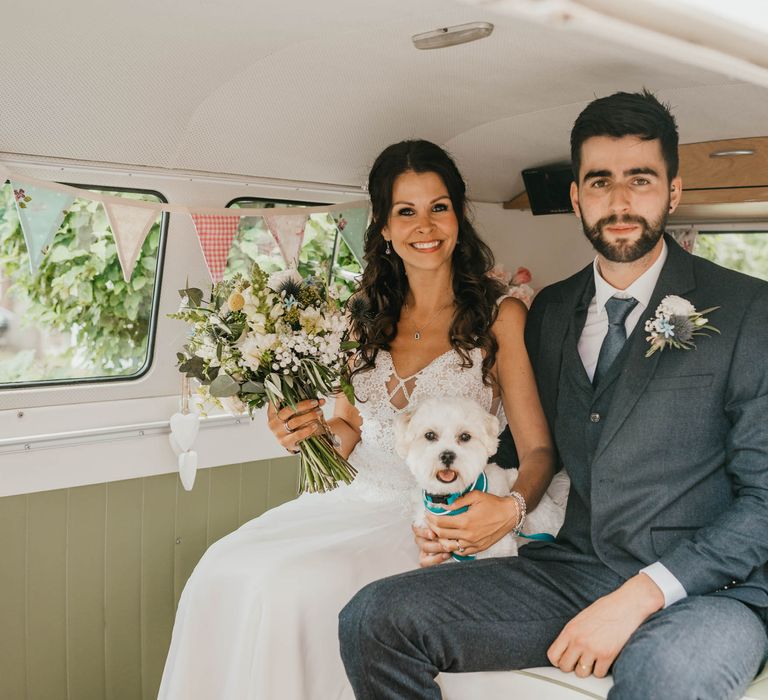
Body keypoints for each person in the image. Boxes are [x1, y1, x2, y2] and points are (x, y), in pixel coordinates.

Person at [339, 90, 768, 700]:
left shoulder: (752, 310)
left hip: (708, 592)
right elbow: (521, 447)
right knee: (374, 619)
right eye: (599, 183)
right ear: (576, 196)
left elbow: (765, 501)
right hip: (572, 570)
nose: (619, 202)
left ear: (673, 192)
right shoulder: (548, 314)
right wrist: (462, 510)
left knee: (665, 677)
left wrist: (639, 597)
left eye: (640, 180)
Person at [158, 139, 561, 699]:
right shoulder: (360, 315)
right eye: (406, 211)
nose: (425, 225)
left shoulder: (501, 315)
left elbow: (540, 449)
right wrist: (309, 433)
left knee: (290, 586)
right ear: (384, 226)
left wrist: (511, 507)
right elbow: (348, 430)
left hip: (432, 514)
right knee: (221, 567)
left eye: (439, 207)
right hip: (349, 498)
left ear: (459, 217)